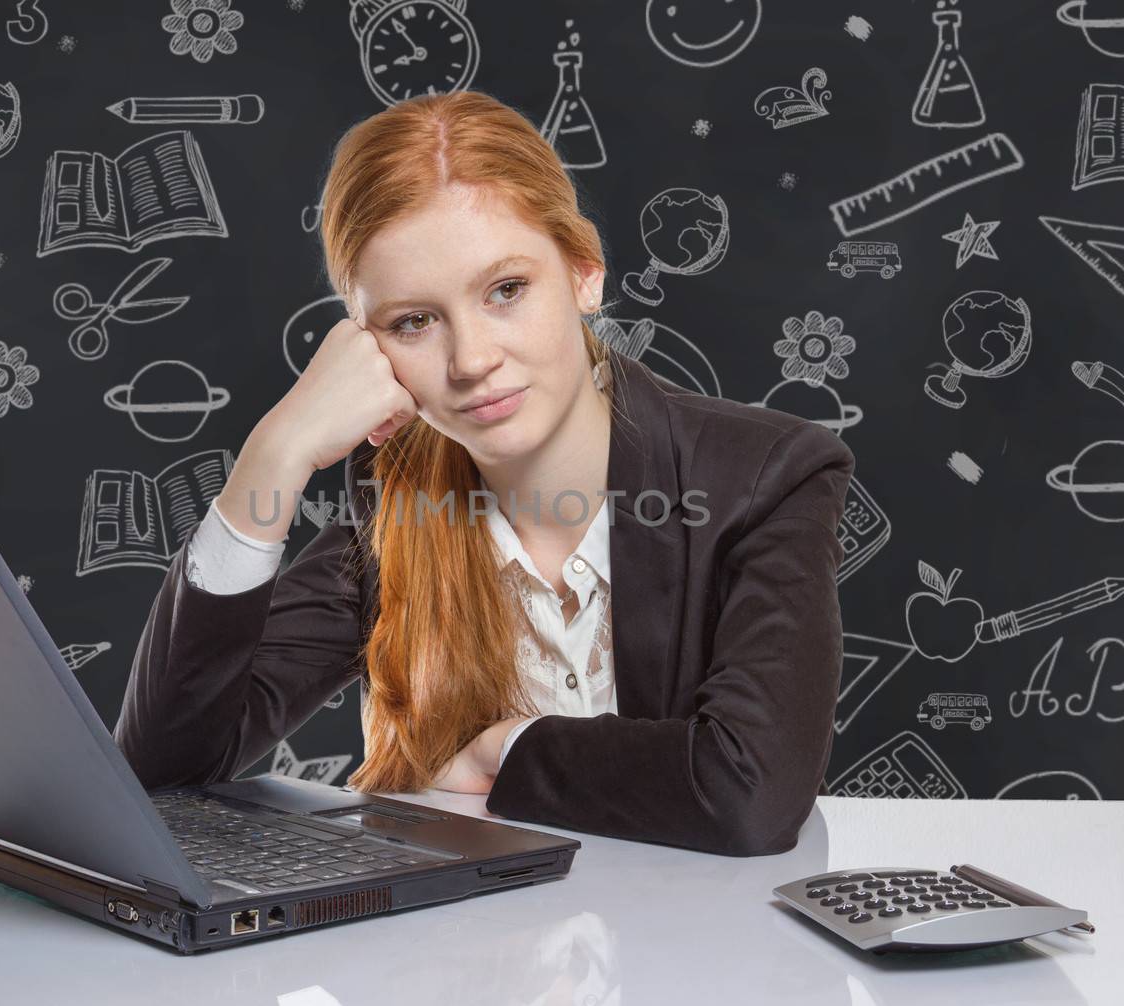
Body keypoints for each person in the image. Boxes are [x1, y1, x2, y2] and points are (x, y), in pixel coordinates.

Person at [114, 90, 855, 857]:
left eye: (506, 290)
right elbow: (165, 776)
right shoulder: (396, 509)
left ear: (583, 273)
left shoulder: (768, 478)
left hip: (698, 965)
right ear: (365, 347)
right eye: (414, 321)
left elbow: (748, 795)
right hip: (467, 965)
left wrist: (511, 751)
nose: (471, 361)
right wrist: (273, 455)